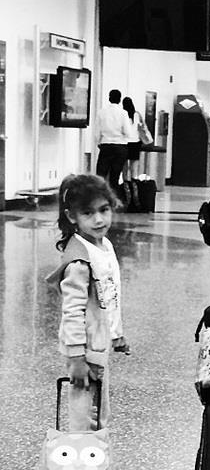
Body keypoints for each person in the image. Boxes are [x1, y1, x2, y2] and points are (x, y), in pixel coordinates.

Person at [46, 174, 130, 431]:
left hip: (99, 345)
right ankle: (81, 452)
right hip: (84, 350)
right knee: (84, 417)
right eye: (88, 213)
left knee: (100, 410)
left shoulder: (104, 246)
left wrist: (116, 335)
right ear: (72, 217)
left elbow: (108, 296)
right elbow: (72, 312)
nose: (99, 219)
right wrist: (76, 359)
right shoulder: (80, 261)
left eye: (104, 210)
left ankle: (96, 450)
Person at [95, 89, 131, 203]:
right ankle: (113, 200)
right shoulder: (123, 113)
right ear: (119, 99)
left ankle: (99, 198)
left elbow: (97, 132)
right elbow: (128, 132)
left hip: (106, 145)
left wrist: (99, 143)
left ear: (109, 98)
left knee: (101, 175)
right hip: (120, 147)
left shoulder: (101, 112)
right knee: (115, 176)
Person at [122, 96, 144, 182]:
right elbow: (142, 127)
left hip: (125, 142)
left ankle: (125, 183)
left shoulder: (123, 115)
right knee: (134, 165)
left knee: (124, 165)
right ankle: (134, 182)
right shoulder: (137, 115)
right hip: (136, 142)